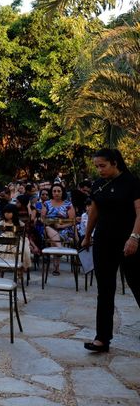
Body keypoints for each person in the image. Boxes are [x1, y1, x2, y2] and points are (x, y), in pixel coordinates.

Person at [82, 149, 140, 353]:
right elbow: (94, 212)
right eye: (97, 166)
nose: (99, 170)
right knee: (104, 290)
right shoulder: (98, 185)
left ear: (115, 163)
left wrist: (134, 237)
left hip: (128, 243)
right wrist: (87, 236)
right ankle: (102, 338)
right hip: (103, 242)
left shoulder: (132, 182)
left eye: (102, 165)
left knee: (137, 285)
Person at [41, 183, 75, 275]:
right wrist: (51, 223)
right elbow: (42, 219)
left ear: (62, 192)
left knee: (53, 240)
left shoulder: (68, 204)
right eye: (54, 191)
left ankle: (56, 267)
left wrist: (61, 226)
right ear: (51, 192)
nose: (56, 193)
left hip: (64, 230)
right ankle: (60, 250)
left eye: (58, 191)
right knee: (48, 229)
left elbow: (72, 221)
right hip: (49, 228)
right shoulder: (46, 203)